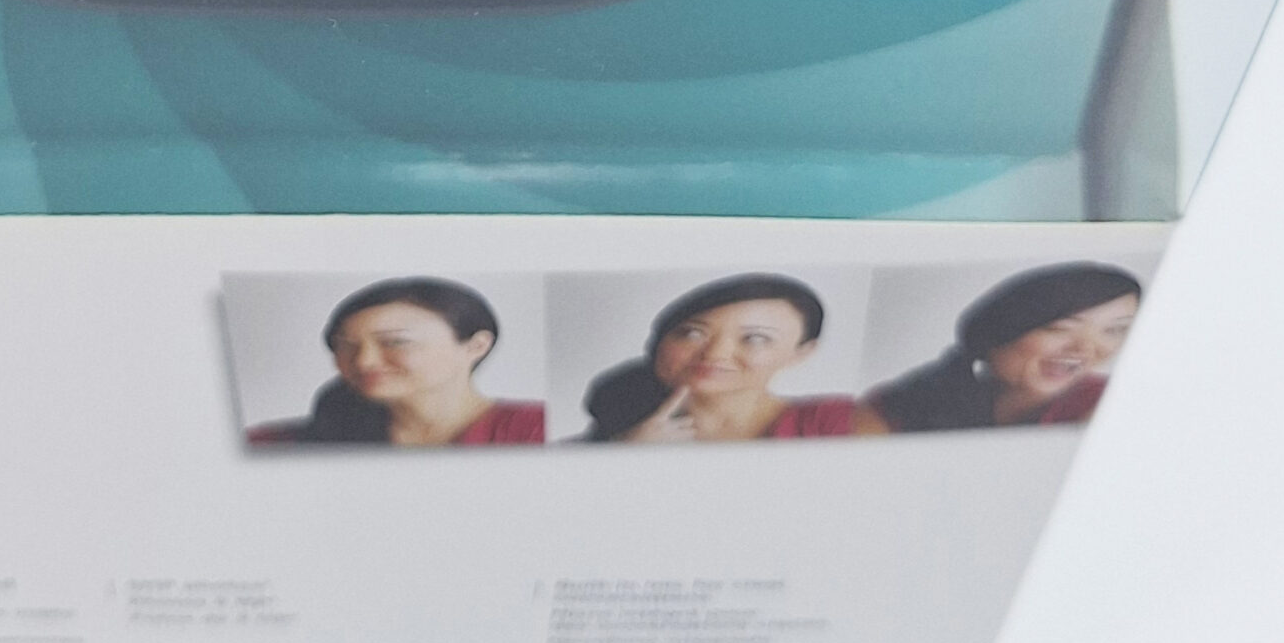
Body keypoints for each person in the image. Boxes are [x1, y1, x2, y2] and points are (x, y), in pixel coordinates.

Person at [246, 277, 546, 447]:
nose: (363, 362)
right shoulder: (273, 444)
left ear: (475, 346)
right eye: (345, 346)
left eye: (395, 342)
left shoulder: (537, 432)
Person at [581, 274, 883, 442]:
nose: (715, 354)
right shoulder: (613, 435)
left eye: (755, 339)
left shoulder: (839, 424)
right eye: (692, 333)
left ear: (801, 353)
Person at [866, 262, 1144, 432]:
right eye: (1059, 328)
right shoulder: (913, 397)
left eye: (1114, 330)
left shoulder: (1112, 405)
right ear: (1001, 331)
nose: (1085, 349)